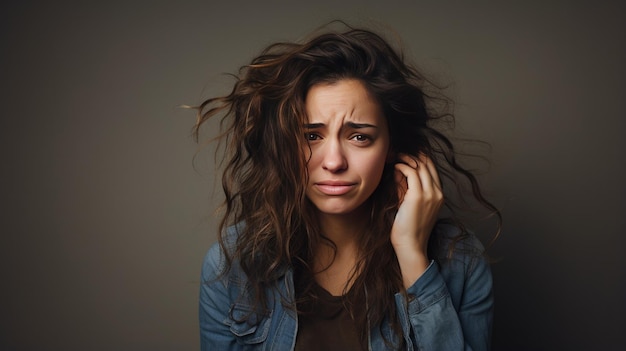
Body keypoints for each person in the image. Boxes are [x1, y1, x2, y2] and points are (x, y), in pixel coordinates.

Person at [194, 23, 500, 351]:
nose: (334, 162)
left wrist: (411, 254)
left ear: (393, 148)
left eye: (359, 137)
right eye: (311, 136)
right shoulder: (234, 265)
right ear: (284, 146)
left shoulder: (460, 261)